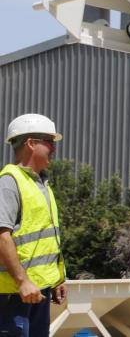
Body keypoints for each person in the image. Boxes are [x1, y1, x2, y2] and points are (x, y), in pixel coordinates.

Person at [0, 114, 67, 337]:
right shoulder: (9, 182)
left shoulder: (41, 184)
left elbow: (46, 240)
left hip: (38, 291)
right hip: (13, 295)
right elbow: (2, 237)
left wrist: (56, 278)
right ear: (31, 143)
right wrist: (23, 282)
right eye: (49, 142)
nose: (53, 149)